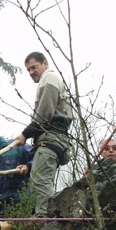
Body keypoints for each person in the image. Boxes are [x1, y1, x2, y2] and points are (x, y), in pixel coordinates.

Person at [15, 51, 73, 218]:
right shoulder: (48, 80)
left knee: (41, 181)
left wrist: (25, 134)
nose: (31, 72)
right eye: (28, 70)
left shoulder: (49, 78)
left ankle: (46, 219)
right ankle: (44, 215)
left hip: (52, 138)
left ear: (45, 63)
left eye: (34, 67)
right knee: (39, 179)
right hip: (51, 139)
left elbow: (44, 114)